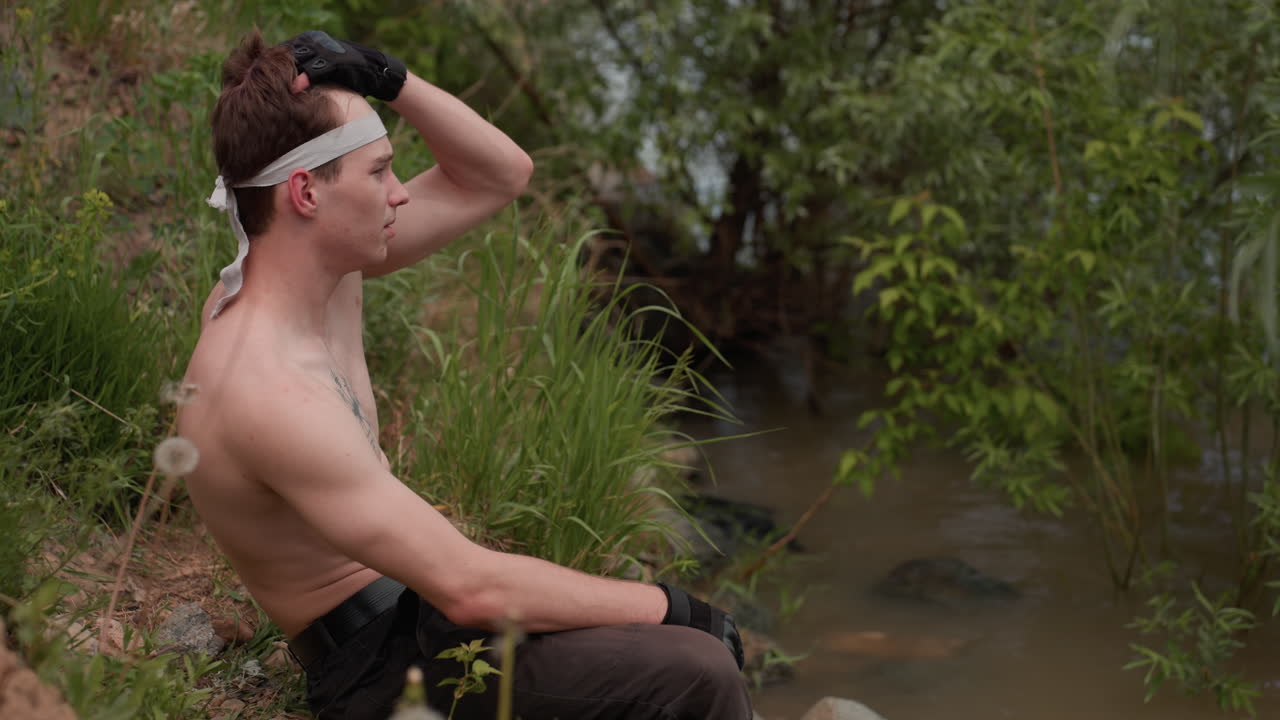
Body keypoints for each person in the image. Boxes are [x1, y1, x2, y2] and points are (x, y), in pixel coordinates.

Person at [177, 29, 752, 720]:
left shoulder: (325, 275)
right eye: (380, 172)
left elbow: (498, 174)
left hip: (420, 616)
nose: (398, 195)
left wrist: (385, 77)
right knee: (697, 668)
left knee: (670, 653)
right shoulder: (263, 385)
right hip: (380, 673)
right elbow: (469, 586)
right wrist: (676, 606)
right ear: (305, 193)